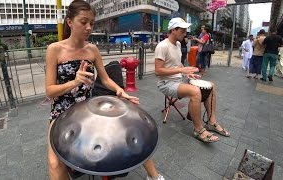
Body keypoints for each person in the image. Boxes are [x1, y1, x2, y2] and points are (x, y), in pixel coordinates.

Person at [45, 1, 164, 180]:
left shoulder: (92, 49)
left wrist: (120, 91)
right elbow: (49, 91)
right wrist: (75, 82)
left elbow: (106, 79)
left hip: (87, 109)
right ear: (69, 22)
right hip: (61, 111)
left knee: (129, 129)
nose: (88, 27)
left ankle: (154, 176)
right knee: (55, 163)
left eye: (91, 23)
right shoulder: (54, 50)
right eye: (83, 22)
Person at [154, 17, 230, 143]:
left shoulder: (178, 44)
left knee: (211, 85)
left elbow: (177, 65)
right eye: (183, 31)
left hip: (179, 79)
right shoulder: (162, 46)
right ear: (173, 30)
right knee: (195, 92)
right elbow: (158, 71)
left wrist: (187, 73)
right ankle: (198, 129)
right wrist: (181, 71)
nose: (185, 34)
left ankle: (212, 121)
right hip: (166, 83)